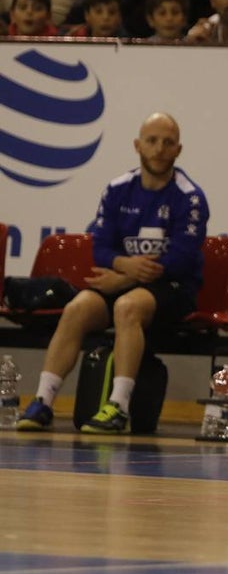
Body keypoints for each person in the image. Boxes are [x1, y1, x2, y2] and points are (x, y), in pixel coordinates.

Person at [17, 112, 209, 434]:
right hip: (125, 280)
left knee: (126, 307)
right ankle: (43, 401)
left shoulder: (190, 197)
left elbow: (181, 258)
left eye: (168, 143)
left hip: (174, 288)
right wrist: (123, 266)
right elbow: (100, 248)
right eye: (152, 141)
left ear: (178, 150)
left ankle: (118, 406)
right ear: (137, 145)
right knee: (77, 308)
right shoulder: (118, 189)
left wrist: (126, 277)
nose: (159, 149)